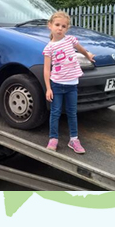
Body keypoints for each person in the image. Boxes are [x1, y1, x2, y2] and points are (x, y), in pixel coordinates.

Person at [42, 11, 96, 154]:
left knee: (72, 112)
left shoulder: (70, 40)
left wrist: (88, 54)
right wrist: (48, 88)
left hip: (72, 85)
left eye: (63, 26)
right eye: (57, 25)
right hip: (57, 85)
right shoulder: (49, 48)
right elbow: (47, 70)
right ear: (50, 26)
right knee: (56, 112)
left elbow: (81, 49)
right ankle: (53, 138)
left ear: (67, 28)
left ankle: (74, 139)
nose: (60, 28)